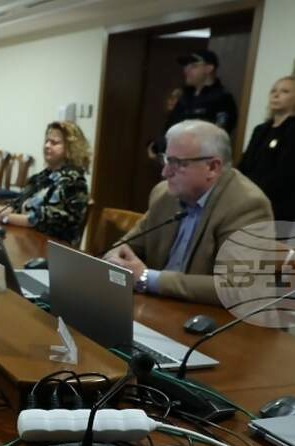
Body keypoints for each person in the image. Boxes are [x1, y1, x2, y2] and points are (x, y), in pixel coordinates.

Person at [106, 120, 273, 306]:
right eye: (166, 160)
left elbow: (237, 287)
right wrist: (115, 259)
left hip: (212, 316)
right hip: (160, 307)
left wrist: (148, 278)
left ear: (212, 167)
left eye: (177, 163)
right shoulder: (164, 194)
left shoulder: (247, 205)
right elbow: (125, 247)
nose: (165, 172)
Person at [0, 121, 90, 244]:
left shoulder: (74, 182)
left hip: (52, 247)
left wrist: (3, 217)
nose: (47, 145)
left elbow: (41, 220)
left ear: (71, 149)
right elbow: (19, 205)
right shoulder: (42, 176)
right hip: (28, 240)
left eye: (54, 142)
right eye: (47, 141)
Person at [153, 50, 238, 154]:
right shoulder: (184, 97)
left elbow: (218, 134)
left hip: (201, 157)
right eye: (186, 66)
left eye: (193, 66)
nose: (186, 70)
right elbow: (170, 126)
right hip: (174, 155)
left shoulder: (222, 98)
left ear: (209, 68)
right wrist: (157, 146)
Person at [238, 76, 295, 222]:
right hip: (249, 200)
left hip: (279, 205)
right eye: (273, 91)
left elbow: (285, 172)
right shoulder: (261, 130)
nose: (276, 95)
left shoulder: (292, 129)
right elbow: (245, 164)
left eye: (285, 91)